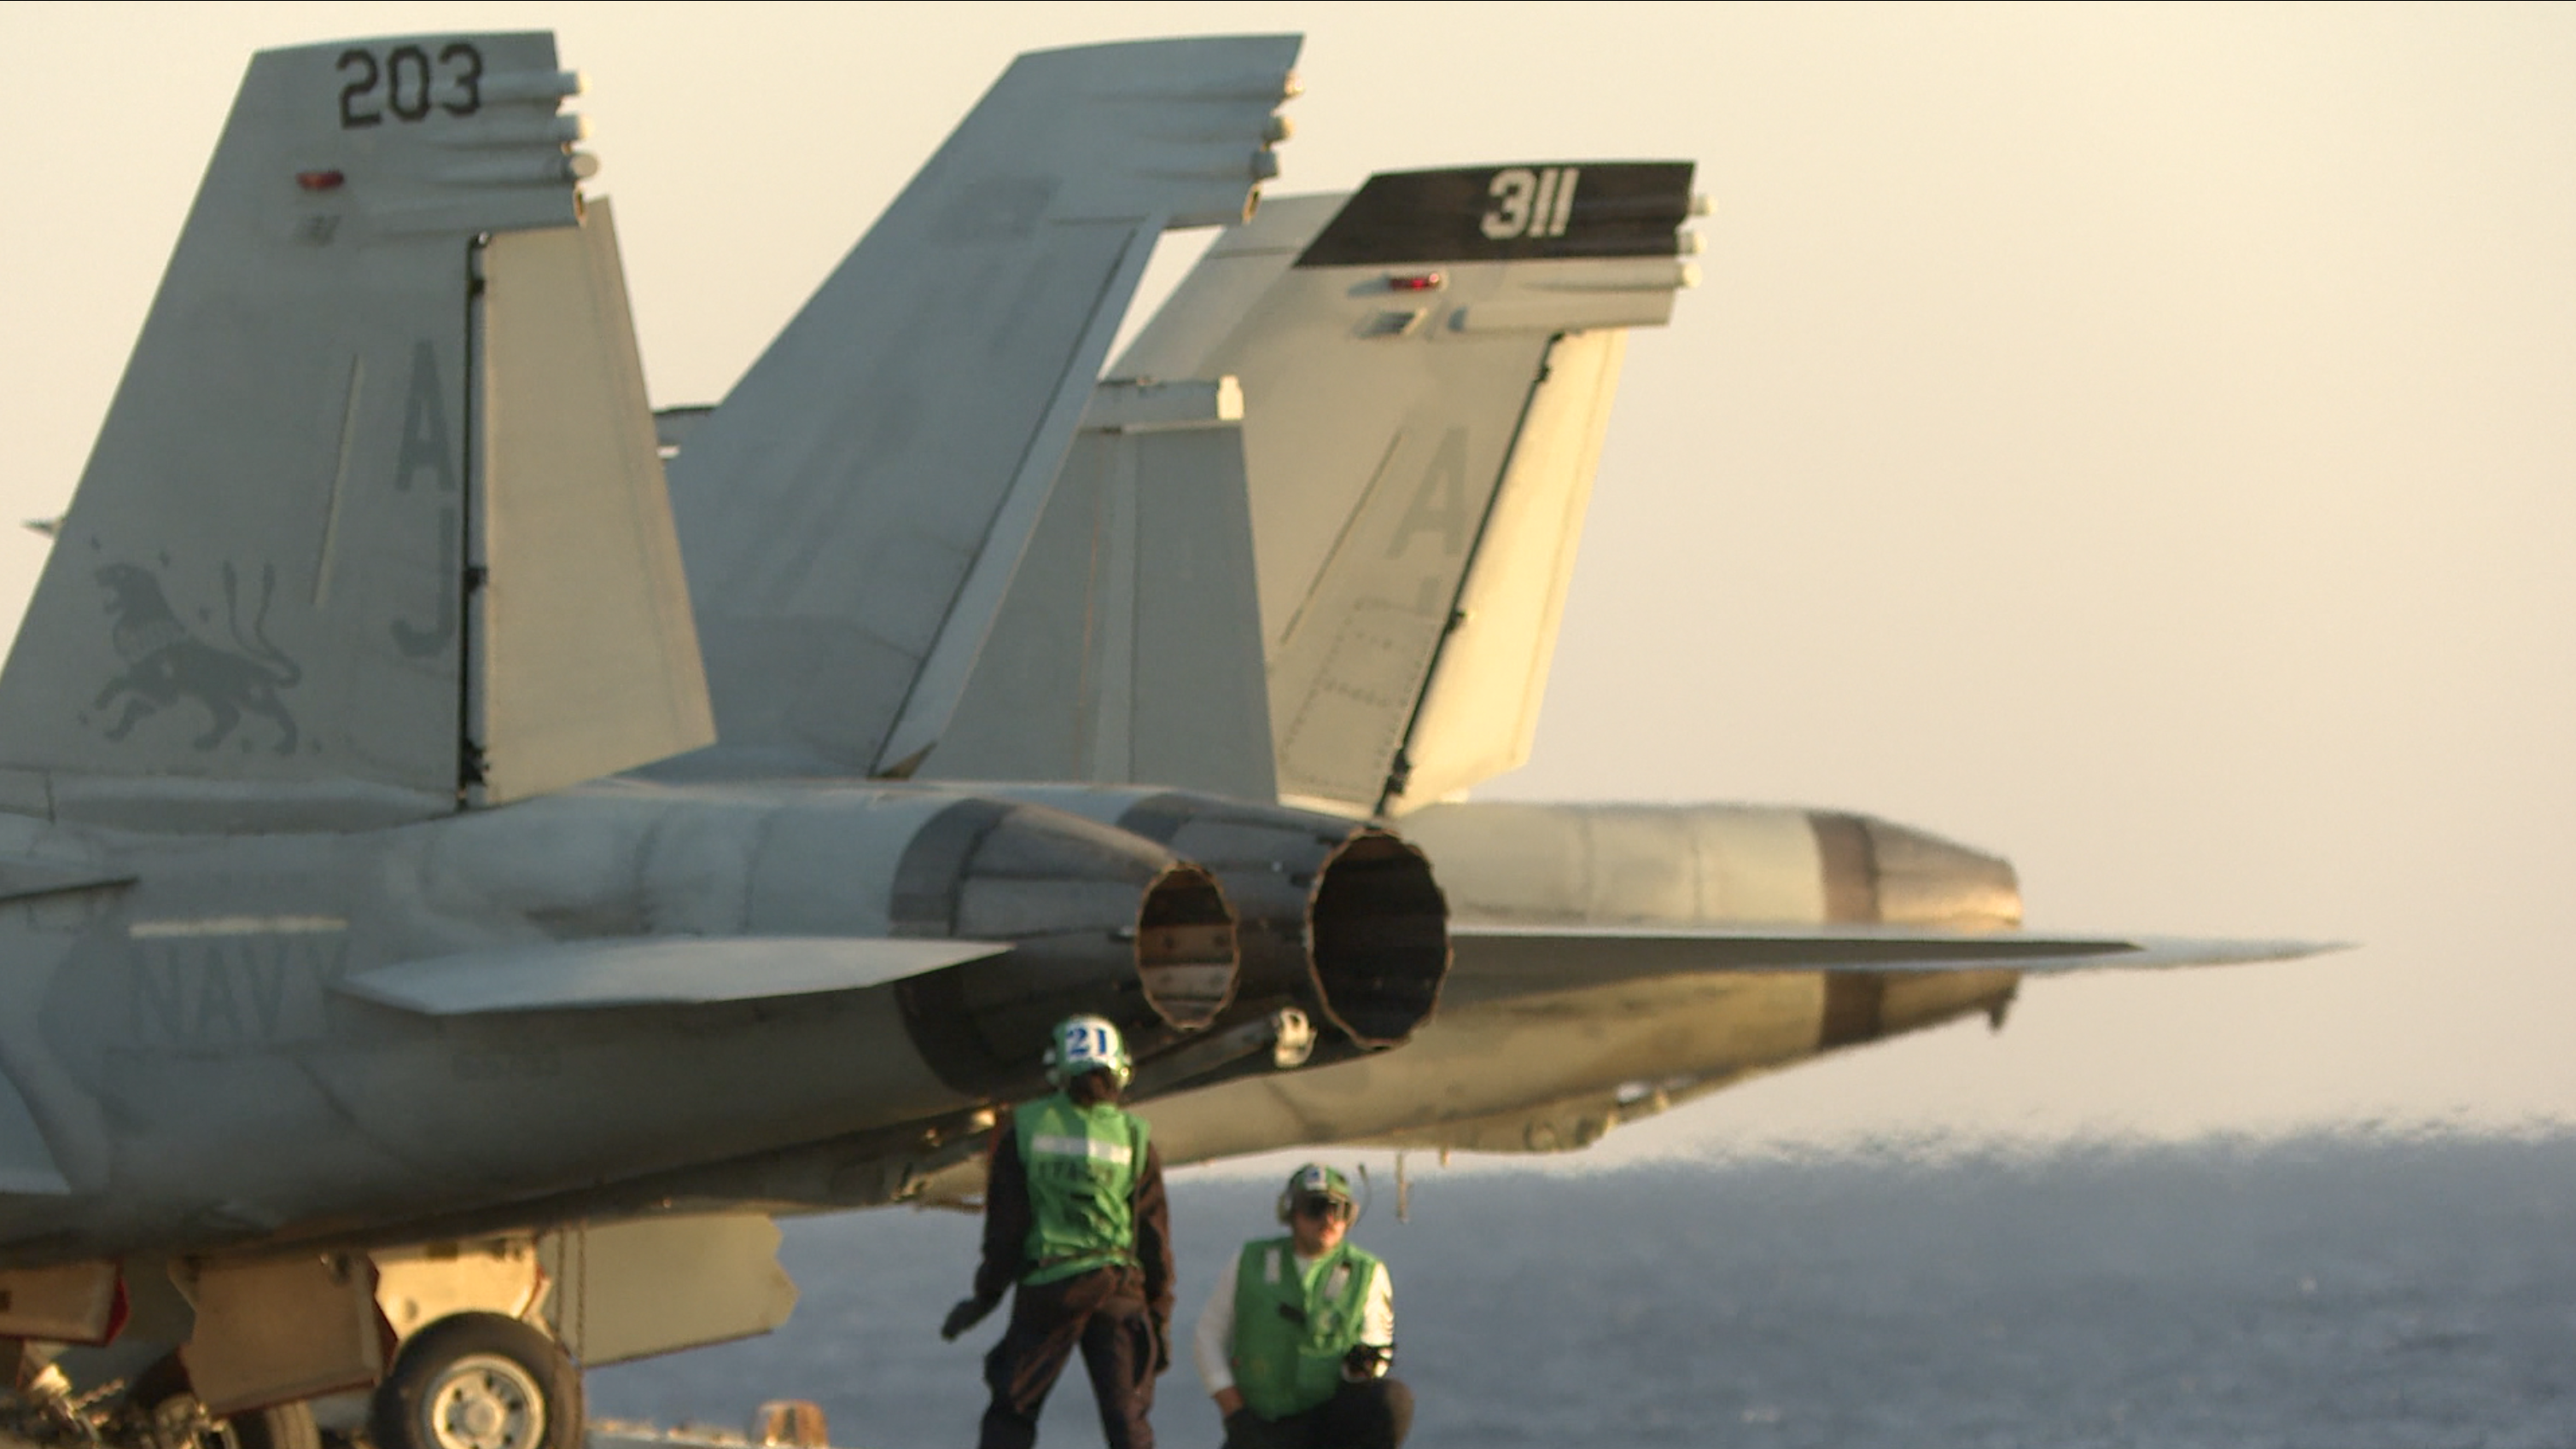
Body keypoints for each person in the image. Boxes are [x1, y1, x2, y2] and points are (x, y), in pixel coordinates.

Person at [942, 1015, 1174, 1449]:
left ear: (1058, 1067)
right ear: (1120, 1068)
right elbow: (1154, 1239)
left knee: (1013, 1411)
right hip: (1118, 1289)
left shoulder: (1026, 1129)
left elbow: (1006, 1231)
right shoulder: (1135, 1139)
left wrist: (985, 1296)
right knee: (1128, 1423)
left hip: (1049, 1289)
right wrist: (1159, 1318)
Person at [1192, 1164, 1413, 1449]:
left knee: (1393, 1400)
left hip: (1328, 1421)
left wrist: (1359, 1369)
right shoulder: (1249, 1262)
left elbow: (1376, 1350)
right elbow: (1208, 1338)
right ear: (1292, 1212)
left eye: (1340, 1210)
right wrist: (1236, 1414)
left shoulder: (1367, 1273)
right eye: (1316, 1207)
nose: (1328, 1219)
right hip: (1260, 1425)